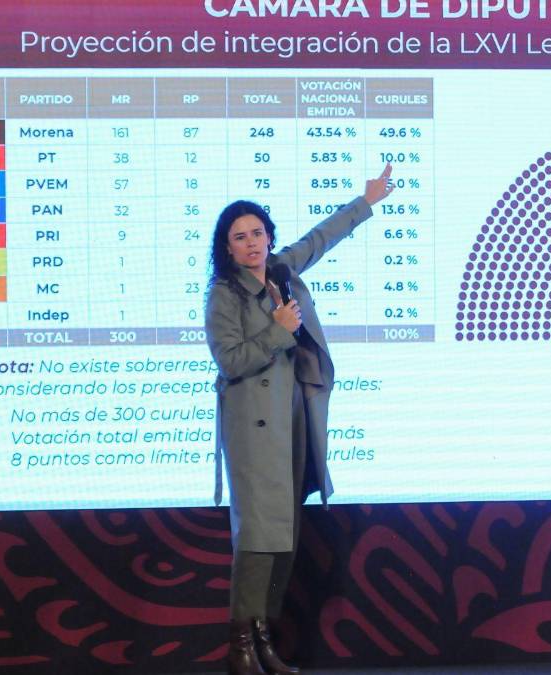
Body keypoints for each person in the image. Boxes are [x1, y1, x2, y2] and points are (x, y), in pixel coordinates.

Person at [205, 165, 392, 675]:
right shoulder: (223, 294)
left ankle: (264, 637)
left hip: (292, 419)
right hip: (252, 429)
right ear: (227, 248)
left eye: (257, 233)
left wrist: (366, 201)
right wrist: (278, 329)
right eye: (240, 237)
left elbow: (319, 240)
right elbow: (230, 360)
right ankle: (241, 646)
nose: (251, 243)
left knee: (283, 535)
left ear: (269, 236)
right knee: (257, 538)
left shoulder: (282, 271)